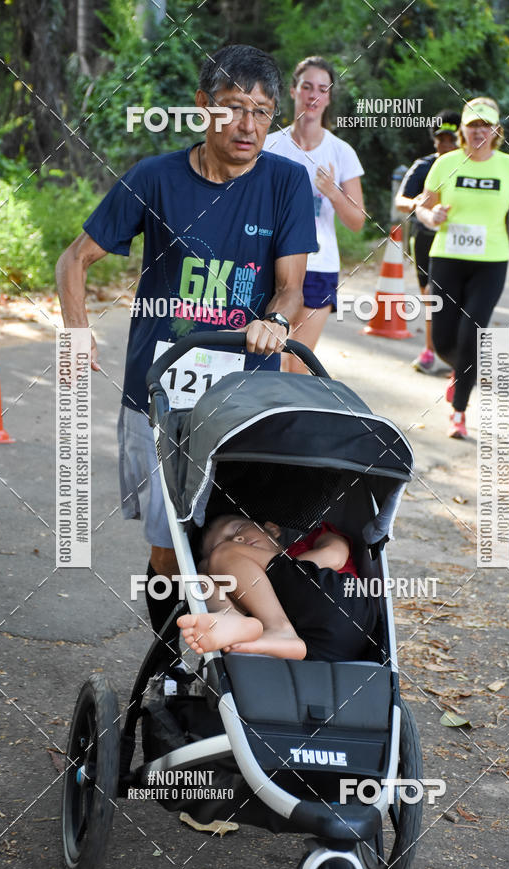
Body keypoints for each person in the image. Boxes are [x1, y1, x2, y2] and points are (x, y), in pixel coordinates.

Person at [56, 45, 318, 668]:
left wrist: (275, 321)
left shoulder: (285, 182)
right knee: (169, 550)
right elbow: (74, 260)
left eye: (261, 111)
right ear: (202, 107)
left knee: (227, 539)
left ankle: (225, 666)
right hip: (159, 397)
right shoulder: (155, 178)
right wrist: (74, 330)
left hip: (241, 404)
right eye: (232, 109)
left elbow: (290, 287)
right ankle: (174, 662)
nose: (247, 126)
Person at [416, 97, 509, 438]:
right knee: (442, 340)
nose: (480, 131)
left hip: (491, 262)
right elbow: (424, 208)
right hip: (447, 257)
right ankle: (461, 370)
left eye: (487, 125)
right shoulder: (445, 163)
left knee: (472, 333)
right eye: (473, 125)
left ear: (497, 130)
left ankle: (459, 412)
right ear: (463, 130)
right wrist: (431, 216)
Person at [265, 56, 365, 372]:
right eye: (307, 87)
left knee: (298, 365)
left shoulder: (341, 152)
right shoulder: (269, 146)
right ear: (293, 91)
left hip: (319, 265)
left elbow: (357, 221)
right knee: (268, 358)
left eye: (322, 89)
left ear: (329, 98)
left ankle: (289, 420)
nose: (313, 96)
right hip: (271, 262)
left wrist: (333, 191)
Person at [177, 515, 376, 662]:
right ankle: (235, 622)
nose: (235, 540)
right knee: (201, 582)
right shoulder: (254, 597)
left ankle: (276, 629)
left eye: (238, 529)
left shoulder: (312, 541)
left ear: (272, 528)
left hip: (343, 605)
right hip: (319, 651)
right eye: (221, 543)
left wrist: (229, 559)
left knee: (223, 555)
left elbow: (334, 556)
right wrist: (209, 571)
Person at [395, 111, 461, 373]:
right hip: (425, 240)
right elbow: (401, 200)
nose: (445, 145)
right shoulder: (424, 166)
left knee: (457, 299)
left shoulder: (469, 166)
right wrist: (416, 203)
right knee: (432, 298)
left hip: (458, 242)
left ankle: (456, 357)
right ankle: (430, 352)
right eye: (440, 139)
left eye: (451, 140)